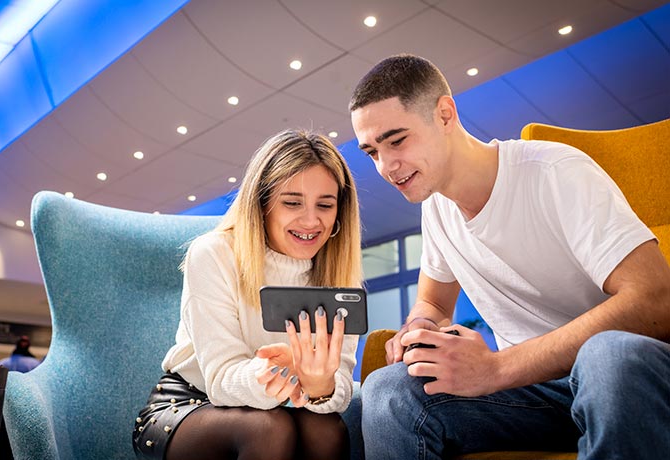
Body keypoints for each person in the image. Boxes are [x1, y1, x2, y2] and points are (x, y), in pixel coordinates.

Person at [348, 54, 670, 459]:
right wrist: (420, 329)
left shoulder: (554, 172)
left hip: (621, 379)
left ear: (445, 114)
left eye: (396, 141)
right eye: (371, 152)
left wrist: (497, 368)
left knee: (607, 356)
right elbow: (432, 303)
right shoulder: (436, 207)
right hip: (537, 395)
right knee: (387, 390)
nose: (387, 166)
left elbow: (656, 296)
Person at [133, 129, 363, 460]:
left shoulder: (341, 277)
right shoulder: (213, 254)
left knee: (326, 430)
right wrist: (284, 371)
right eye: (292, 202)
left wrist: (320, 385)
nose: (312, 221)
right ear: (262, 203)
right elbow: (221, 380)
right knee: (269, 428)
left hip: (276, 409)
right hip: (186, 406)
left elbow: (337, 392)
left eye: (325, 205)